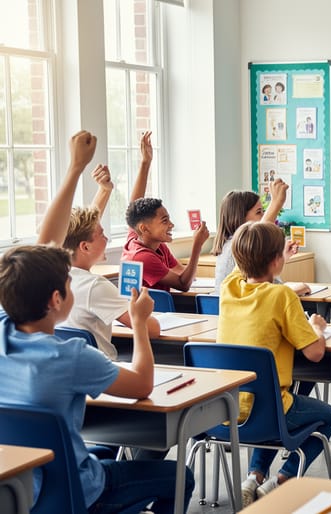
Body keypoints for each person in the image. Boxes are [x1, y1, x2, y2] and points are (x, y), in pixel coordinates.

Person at [0, 150, 194, 512]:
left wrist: (76, 171)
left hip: (20, 491)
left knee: (103, 449)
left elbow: (44, 245)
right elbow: (142, 385)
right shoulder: (70, 355)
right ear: (57, 299)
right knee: (181, 475)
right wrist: (137, 324)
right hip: (80, 490)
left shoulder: (2, 330)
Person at [218, 221, 331, 507]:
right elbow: (315, 354)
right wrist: (318, 328)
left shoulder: (229, 287)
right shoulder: (282, 295)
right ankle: (280, 481)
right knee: (328, 415)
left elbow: (247, 258)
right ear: (276, 260)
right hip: (268, 413)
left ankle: (253, 478)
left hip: (224, 411)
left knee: (272, 404)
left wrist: (275, 253)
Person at [36, 131, 160, 359]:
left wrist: (104, 190)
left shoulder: (49, 277)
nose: (107, 239)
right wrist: (141, 317)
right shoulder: (94, 286)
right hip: (106, 370)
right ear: (84, 247)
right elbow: (153, 330)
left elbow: (69, 233)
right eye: (102, 235)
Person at [121, 132, 210, 292]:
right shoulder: (142, 257)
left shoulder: (149, 242)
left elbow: (134, 205)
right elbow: (184, 284)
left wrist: (146, 163)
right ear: (144, 228)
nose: (171, 225)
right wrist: (197, 245)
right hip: (152, 315)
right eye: (164, 221)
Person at [212, 179, 310, 296]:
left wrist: (281, 257)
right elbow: (268, 296)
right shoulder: (236, 247)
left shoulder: (229, 246)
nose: (263, 216)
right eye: (259, 212)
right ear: (239, 218)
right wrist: (276, 203)